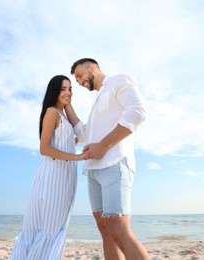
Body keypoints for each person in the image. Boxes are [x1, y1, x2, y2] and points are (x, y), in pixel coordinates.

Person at [65, 58, 150, 259]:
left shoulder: (118, 81)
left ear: (92, 68)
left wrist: (102, 146)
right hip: (93, 171)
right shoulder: (96, 103)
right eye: (76, 79)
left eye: (79, 75)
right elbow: (85, 133)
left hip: (115, 164)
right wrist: (67, 105)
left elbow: (138, 112)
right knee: (106, 231)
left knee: (118, 229)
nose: (78, 82)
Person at [10, 75, 86, 260]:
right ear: (54, 91)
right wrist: (77, 157)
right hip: (53, 175)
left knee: (54, 227)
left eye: (70, 89)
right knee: (49, 228)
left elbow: (82, 137)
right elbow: (44, 148)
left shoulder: (64, 116)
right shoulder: (52, 112)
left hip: (65, 176)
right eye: (63, 89)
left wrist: (68, 105)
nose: (68, 92)